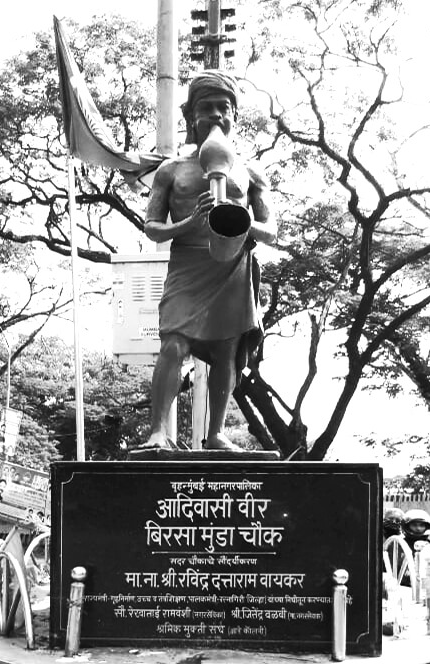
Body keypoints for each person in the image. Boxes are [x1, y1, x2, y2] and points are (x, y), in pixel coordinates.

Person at [142, 70, 277, 451]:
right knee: (173, 345)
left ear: (235, 116)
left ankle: (215, 433)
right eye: (207, 108)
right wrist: (188, 223)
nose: (216, 115)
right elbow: (152, 227)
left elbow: (271, 231)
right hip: (187, 265)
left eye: (224, 108)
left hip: (231, 266)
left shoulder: (250, 172)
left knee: (225, 353)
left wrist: (243, 218)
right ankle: (158, 431)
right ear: (190, 116)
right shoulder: (171, 170)